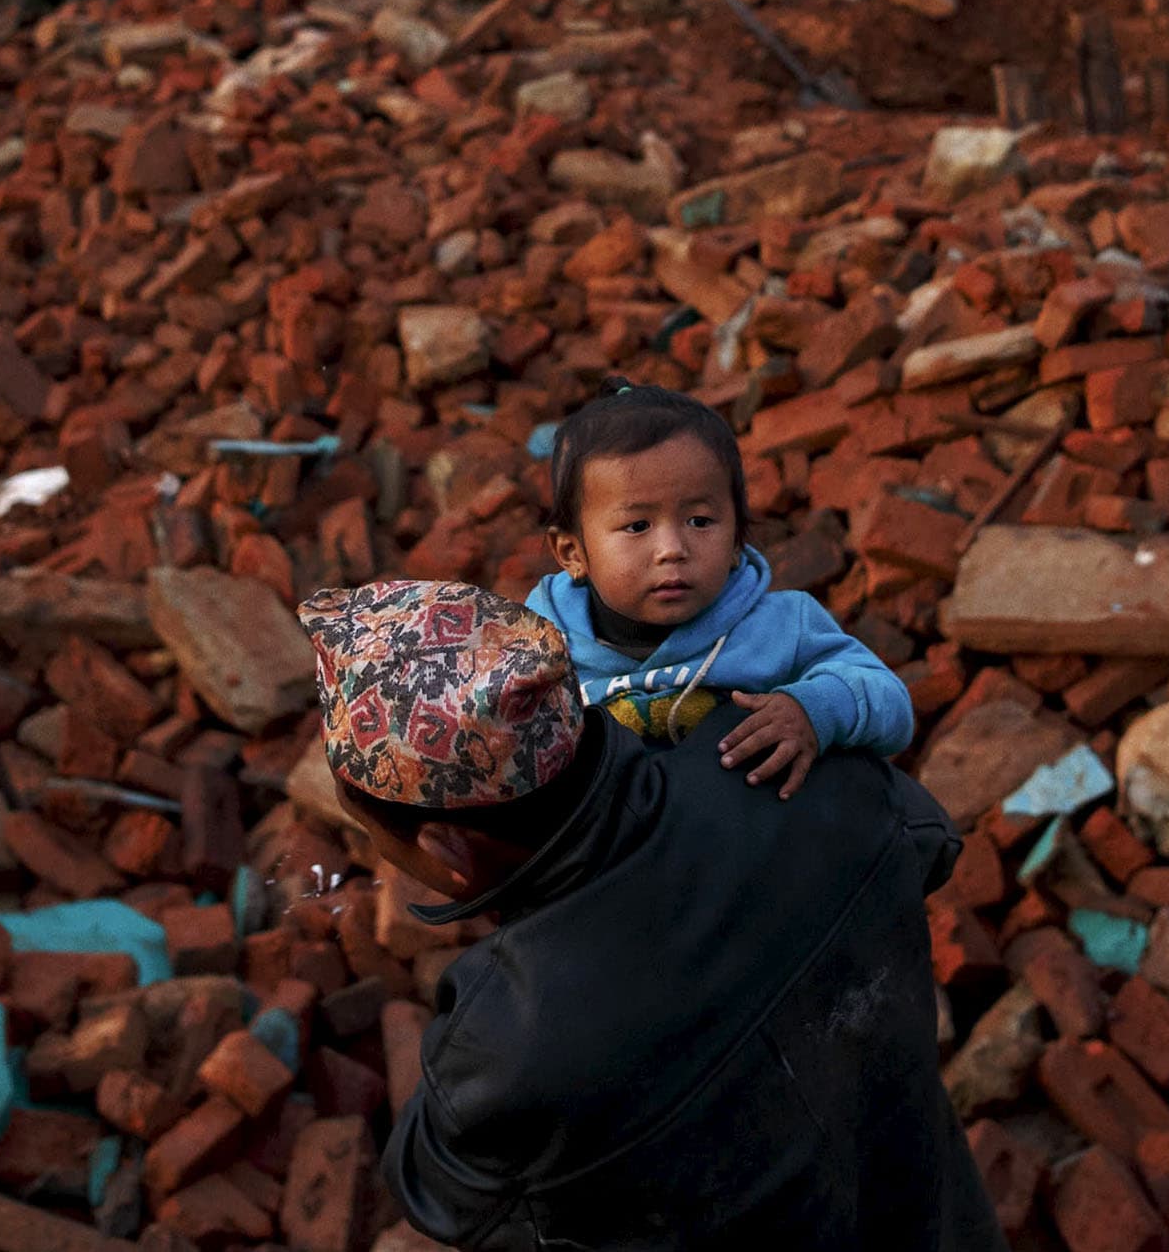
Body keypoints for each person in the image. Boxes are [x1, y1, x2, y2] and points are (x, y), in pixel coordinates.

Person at [299, 575, 1004, 1252]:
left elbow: (434, 1191)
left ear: (447, 844)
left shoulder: (506, 1040)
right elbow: (928, 843)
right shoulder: (803, 766)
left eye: (375, 837)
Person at [524, 382, 914, 796]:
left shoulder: (781, 626)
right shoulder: (537, 653)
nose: (672, 549)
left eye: (700, 521)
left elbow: (892, 705)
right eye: (638, 526)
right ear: (572, 553)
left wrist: (812, 710)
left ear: (736, 541)